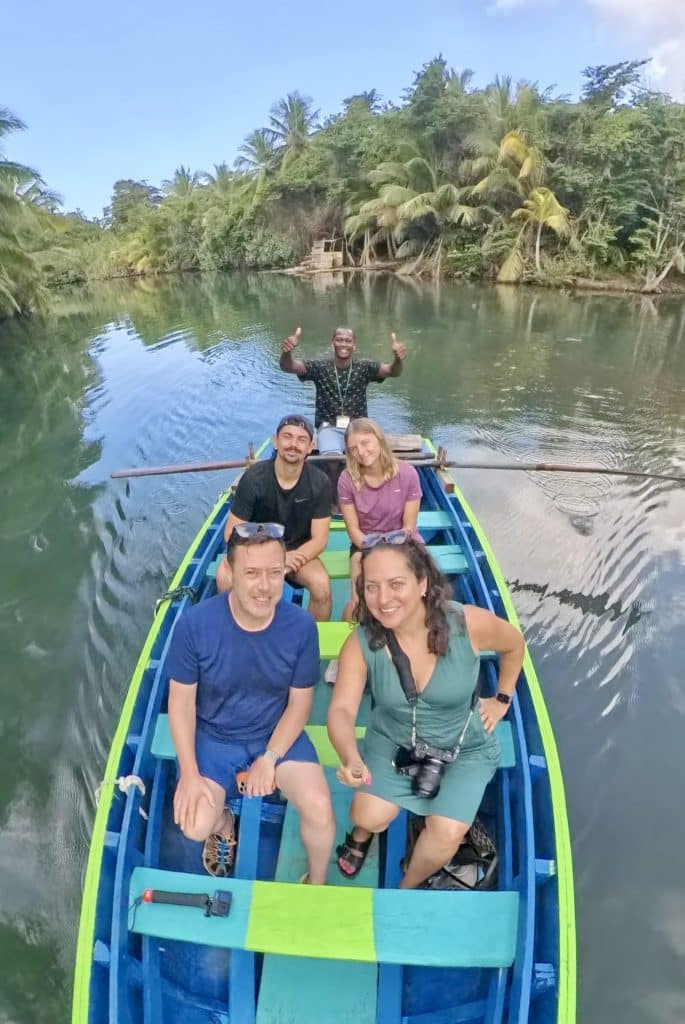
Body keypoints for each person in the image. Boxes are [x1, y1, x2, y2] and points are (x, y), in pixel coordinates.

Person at [327, 534, 525, 889]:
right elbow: (341, 709)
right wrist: (349, 755)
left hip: (464, 745)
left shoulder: (467, 624)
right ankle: (363, 831)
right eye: (371, 587)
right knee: (369, 814)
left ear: (422, 584)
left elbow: (514, 644)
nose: (383, 599)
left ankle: (408, 885)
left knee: (447, 834)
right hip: (395, 740)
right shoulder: (359, 643)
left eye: (396, 584)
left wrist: (501, 699)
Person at [167, 523, 336, 882]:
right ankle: (225, 821)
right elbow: (180, 704)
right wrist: (190, 774)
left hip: (274, 732)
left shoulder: (302, 627)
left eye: (275, 573)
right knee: (195, 825)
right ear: (229, 572)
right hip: (213, 738)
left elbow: (300, 704)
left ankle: (316, 884)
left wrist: (270, 758)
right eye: (252, 573)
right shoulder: (194, 626)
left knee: (321, 809)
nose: (264, 586)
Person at [216, 414, 332, 621]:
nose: (293, 445)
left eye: (301, 439)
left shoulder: (320, 482)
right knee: (224, 576)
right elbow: (231, 533)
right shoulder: (253, 479)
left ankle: (311, 642)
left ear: (311, 446)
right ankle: (235, 631)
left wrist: (289, 558)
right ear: (275, 440)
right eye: (287, 437)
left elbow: (320, 539)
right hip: (256, 549)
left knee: (321, 586)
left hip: (297, 553)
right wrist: (274, 559)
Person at [279, 325, 408, 455]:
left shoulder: (365, 367)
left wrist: (397, 359)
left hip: (359, 426)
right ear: (332, 343)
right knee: (332, 459)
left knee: (367, 456)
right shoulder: (319, 367)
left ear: (354, 345)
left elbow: (393, 371)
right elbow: (288, 366)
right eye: (339, 340)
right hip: (329, 427)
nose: (343, 344)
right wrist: (287, 352)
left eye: (348, 341)